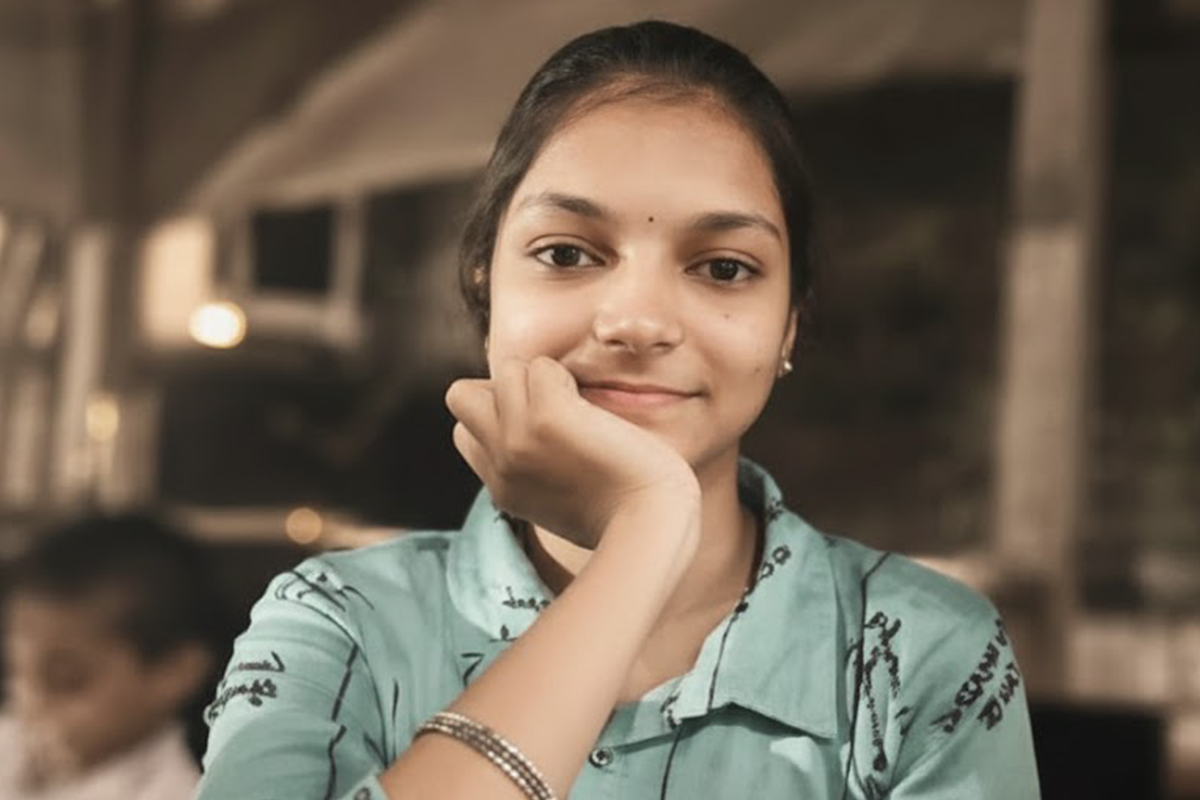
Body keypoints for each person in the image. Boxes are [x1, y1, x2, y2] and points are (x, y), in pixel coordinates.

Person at [197, 20, 1041, 799]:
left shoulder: (920, 653)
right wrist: (644, 534)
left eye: (723, 268)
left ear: (790, 322)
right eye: (567, 253)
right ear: (485, 289)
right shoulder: (337, 624)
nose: (637, 322)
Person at [0, 513, 228, 800]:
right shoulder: (12, 742)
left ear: (174, 673)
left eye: (65, 681)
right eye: (15, 673)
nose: (29, 703)